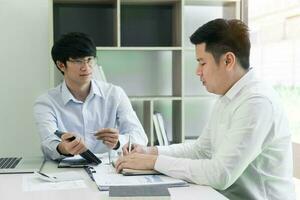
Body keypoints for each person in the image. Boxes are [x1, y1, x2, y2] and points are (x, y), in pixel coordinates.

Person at [115, 19, 296, 200]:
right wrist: (151, 152)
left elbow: (220, 174)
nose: (197, 71)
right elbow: (201, 150)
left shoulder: (257, 103)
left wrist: (153, 162)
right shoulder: (228, 96)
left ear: (228, 60)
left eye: (202, 63)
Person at [34, 32, 148, 160]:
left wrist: (118, 142)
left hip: (108, 170)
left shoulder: (114, 94)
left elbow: (140, 137)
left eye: (89, 60)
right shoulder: (46, 102)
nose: (86, 67)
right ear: (61, 65)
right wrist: (63, 148)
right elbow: (48, 141)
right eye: (78, 61)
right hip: (65, 171)